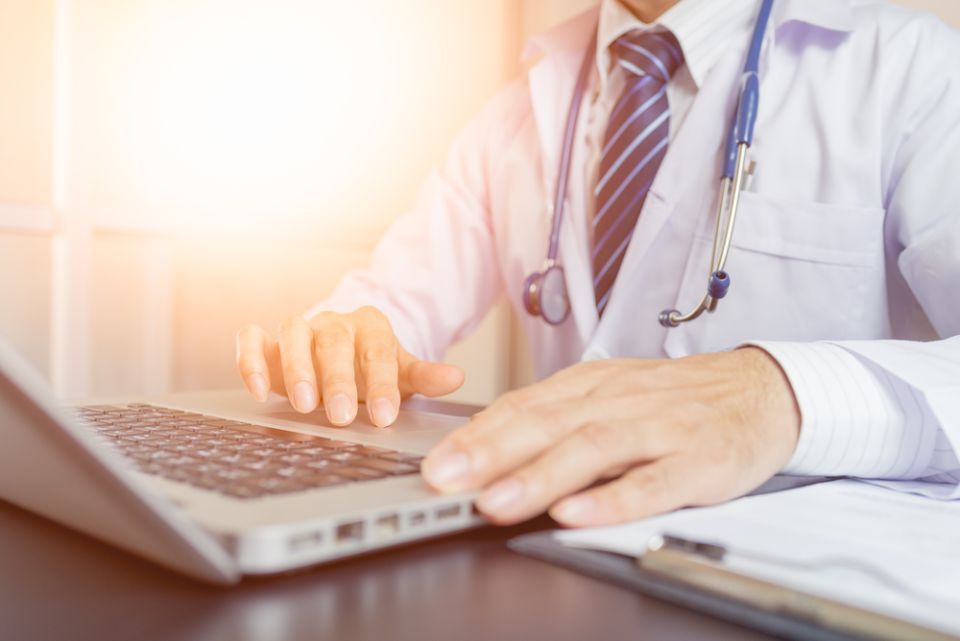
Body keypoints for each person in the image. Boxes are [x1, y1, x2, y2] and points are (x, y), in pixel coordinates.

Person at [235, 0, 960, 528]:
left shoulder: (912, 70)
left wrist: (781, 394)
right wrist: (347, 344)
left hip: (799, 579)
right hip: (556, 555)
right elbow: (391, 308)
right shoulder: (516, 110)